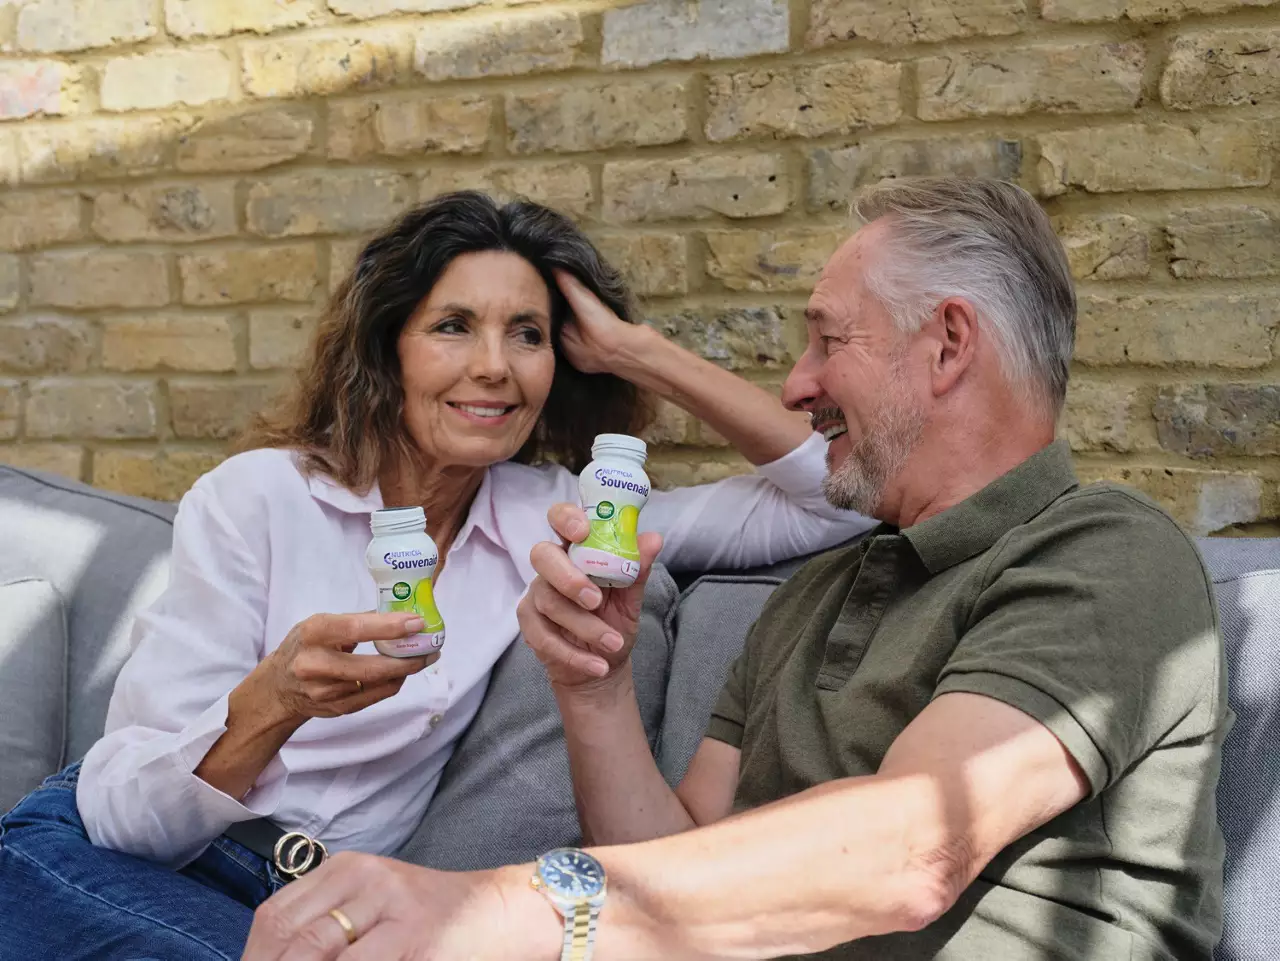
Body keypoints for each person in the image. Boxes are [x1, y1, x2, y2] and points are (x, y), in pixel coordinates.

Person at [239, 177, 1227, 961]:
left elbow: (916, 845)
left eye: (824, 340)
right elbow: (663, 870)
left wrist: (503, 907)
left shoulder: (1104, 551)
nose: (795, 385)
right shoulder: (816, 595)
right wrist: (592, 684)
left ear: (948, 344)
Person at [0, 192, 873, 961]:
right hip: (118, 856)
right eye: (454, 326)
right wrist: (276, 700)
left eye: (526, 335)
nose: (494, 365)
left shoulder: (555, 518)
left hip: (332, 909)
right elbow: (122, 816)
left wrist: (638, 351)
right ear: (390, 349)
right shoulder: (258, 498)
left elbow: (833, 502)